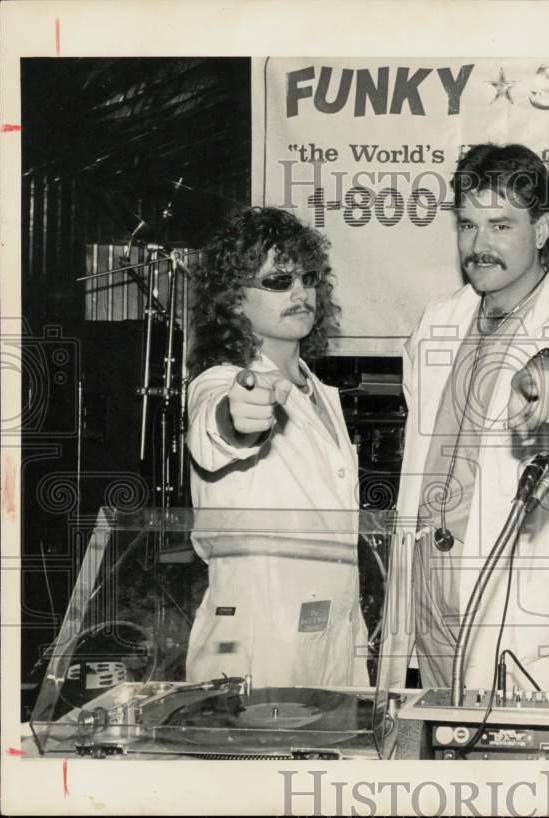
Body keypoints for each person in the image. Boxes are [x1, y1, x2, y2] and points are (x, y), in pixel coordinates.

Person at [380, 143, 549, 694]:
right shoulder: (437, 321)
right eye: (467, 225)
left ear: (541, 230)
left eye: (499, 225)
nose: (478, 245)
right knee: (434, 756)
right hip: (427, 588)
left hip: (514, 594)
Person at [184, 206, 367, 688]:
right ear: (233, 298)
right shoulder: (221, 382)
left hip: (336, 638)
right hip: (255, 640)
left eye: (308, 277)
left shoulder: (322, 394)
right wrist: (238, 419)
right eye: (279, 280)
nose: (301, 292)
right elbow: (217, 428)